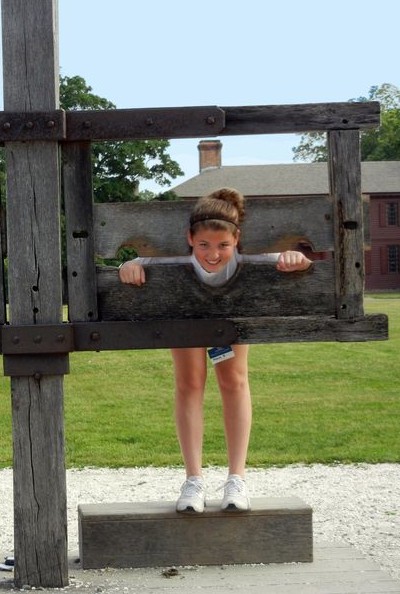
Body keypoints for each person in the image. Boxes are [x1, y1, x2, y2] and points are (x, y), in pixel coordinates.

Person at [118, 188, 311, 513]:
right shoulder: (174, 257)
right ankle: (193, 480)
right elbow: (135, 261)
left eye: (223, 245)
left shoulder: (250, 257)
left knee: (234, 381)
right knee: (189, 384)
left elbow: (297, 262)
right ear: (189, 238)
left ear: (237, 239)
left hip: (230, 316)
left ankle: (237, 478)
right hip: (186, 314)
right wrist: (129, 266)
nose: (213, 254)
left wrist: (296, 259)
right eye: (204, 244)